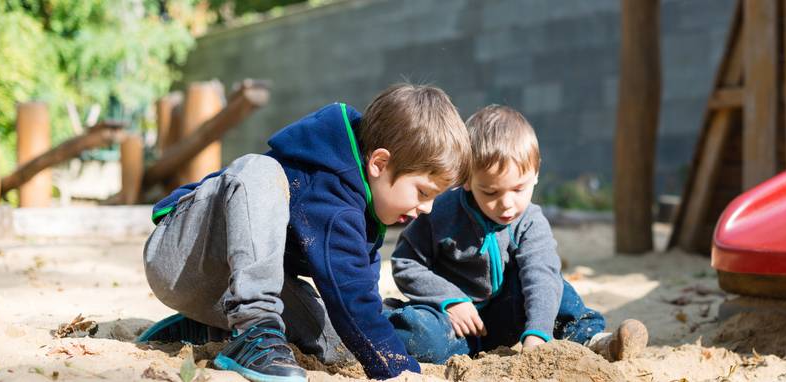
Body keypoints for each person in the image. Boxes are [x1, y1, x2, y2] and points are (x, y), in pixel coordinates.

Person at [139, 84, 472, 381]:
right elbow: (352, 298)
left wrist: (390, 354)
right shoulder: (327, 185)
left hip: (227, 288)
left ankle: (212, 328)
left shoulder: (366, 209)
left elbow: (357, 301)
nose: (426, 208)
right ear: (380, 164)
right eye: (424, 193)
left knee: (338, 342)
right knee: (260, 170)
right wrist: (399, 370)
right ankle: (256, 328)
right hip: (183, 253)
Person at [385, 105, 649, 364]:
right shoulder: (440, 212)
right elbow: (406, 262)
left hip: (506, 317)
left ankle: (592, 340)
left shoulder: (530, 221)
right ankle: (388, 320)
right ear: (465, 178)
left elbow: (540, 275)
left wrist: (537, 334)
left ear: (535, 174)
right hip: (453, 323)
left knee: (553, 285)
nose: (507, 204)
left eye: (518, 189)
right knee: (419, 334)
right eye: (490, 192)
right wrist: (449, 300)